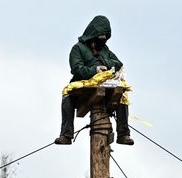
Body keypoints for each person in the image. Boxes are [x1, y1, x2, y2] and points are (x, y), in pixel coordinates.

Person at [56, 15, 134, 146]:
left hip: (105, 85)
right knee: (67, 95)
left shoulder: (105, 50)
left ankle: (123, 134)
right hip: (83, 85)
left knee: (122, 94)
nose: (103, 40)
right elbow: (76, 68)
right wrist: (94, 70)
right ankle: (66, 135)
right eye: (100, 36)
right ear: (93, 34)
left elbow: (118, 63)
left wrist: (104, 63)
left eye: (105, 37)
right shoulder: (78, 49)